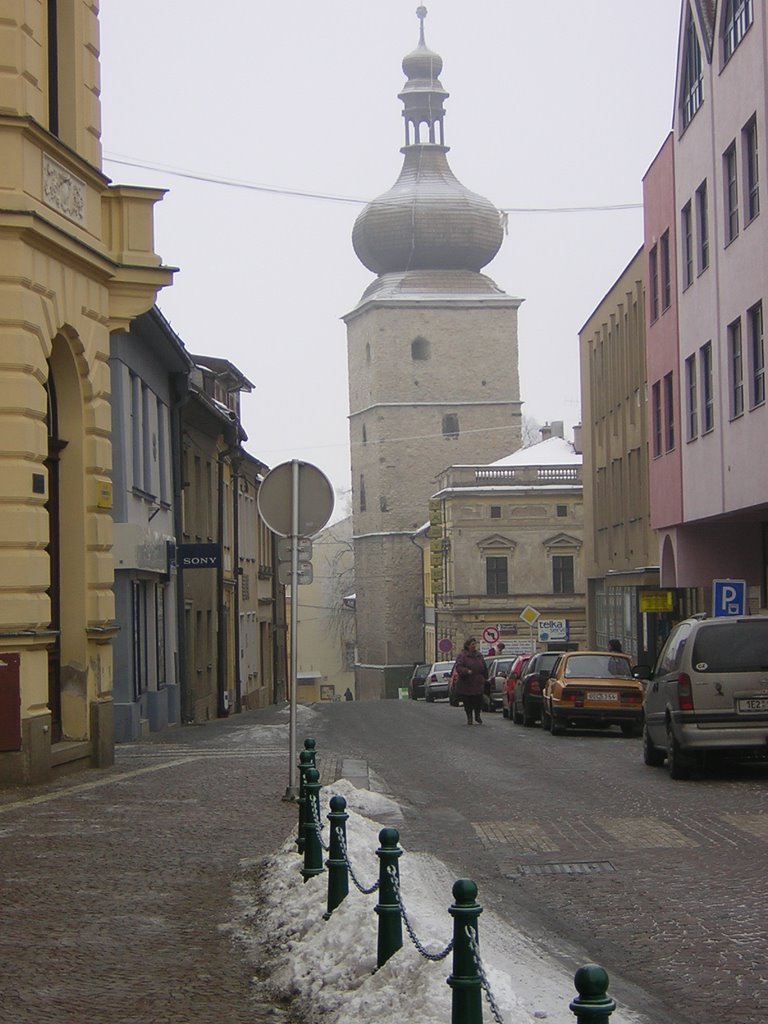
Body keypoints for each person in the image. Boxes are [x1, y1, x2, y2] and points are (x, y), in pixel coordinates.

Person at [452, 637, 488, 725]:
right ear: (468, 646)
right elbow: (458, 667)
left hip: (478, 682)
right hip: (466, 683)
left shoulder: (478, 655)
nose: (474, 646)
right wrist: (466, 671)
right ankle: (469, 717)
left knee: (478, 700)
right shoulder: (462, 655)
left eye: (475, 644)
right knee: (468, 702)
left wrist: (485, 677)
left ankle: (477, 715)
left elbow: (484, 666)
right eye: (472, 644)